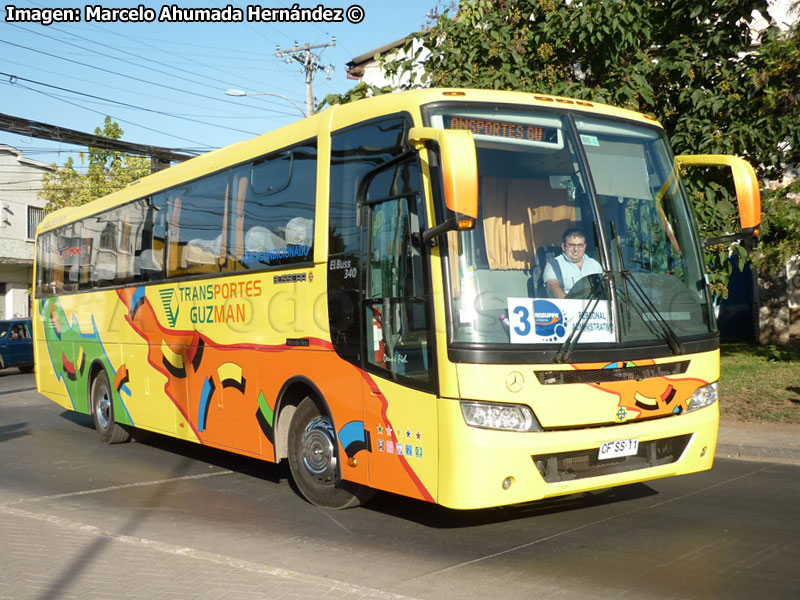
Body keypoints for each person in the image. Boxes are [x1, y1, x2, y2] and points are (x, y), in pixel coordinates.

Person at [543, 228, 602, 298]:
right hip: (567, 304)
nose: (576, 249)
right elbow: (553, 287)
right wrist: (569, 304)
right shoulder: (553, 266)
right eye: (571, 245)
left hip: (594, 304)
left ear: (584, 246)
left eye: (580, 245)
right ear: (563, 246)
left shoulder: (595, 265)